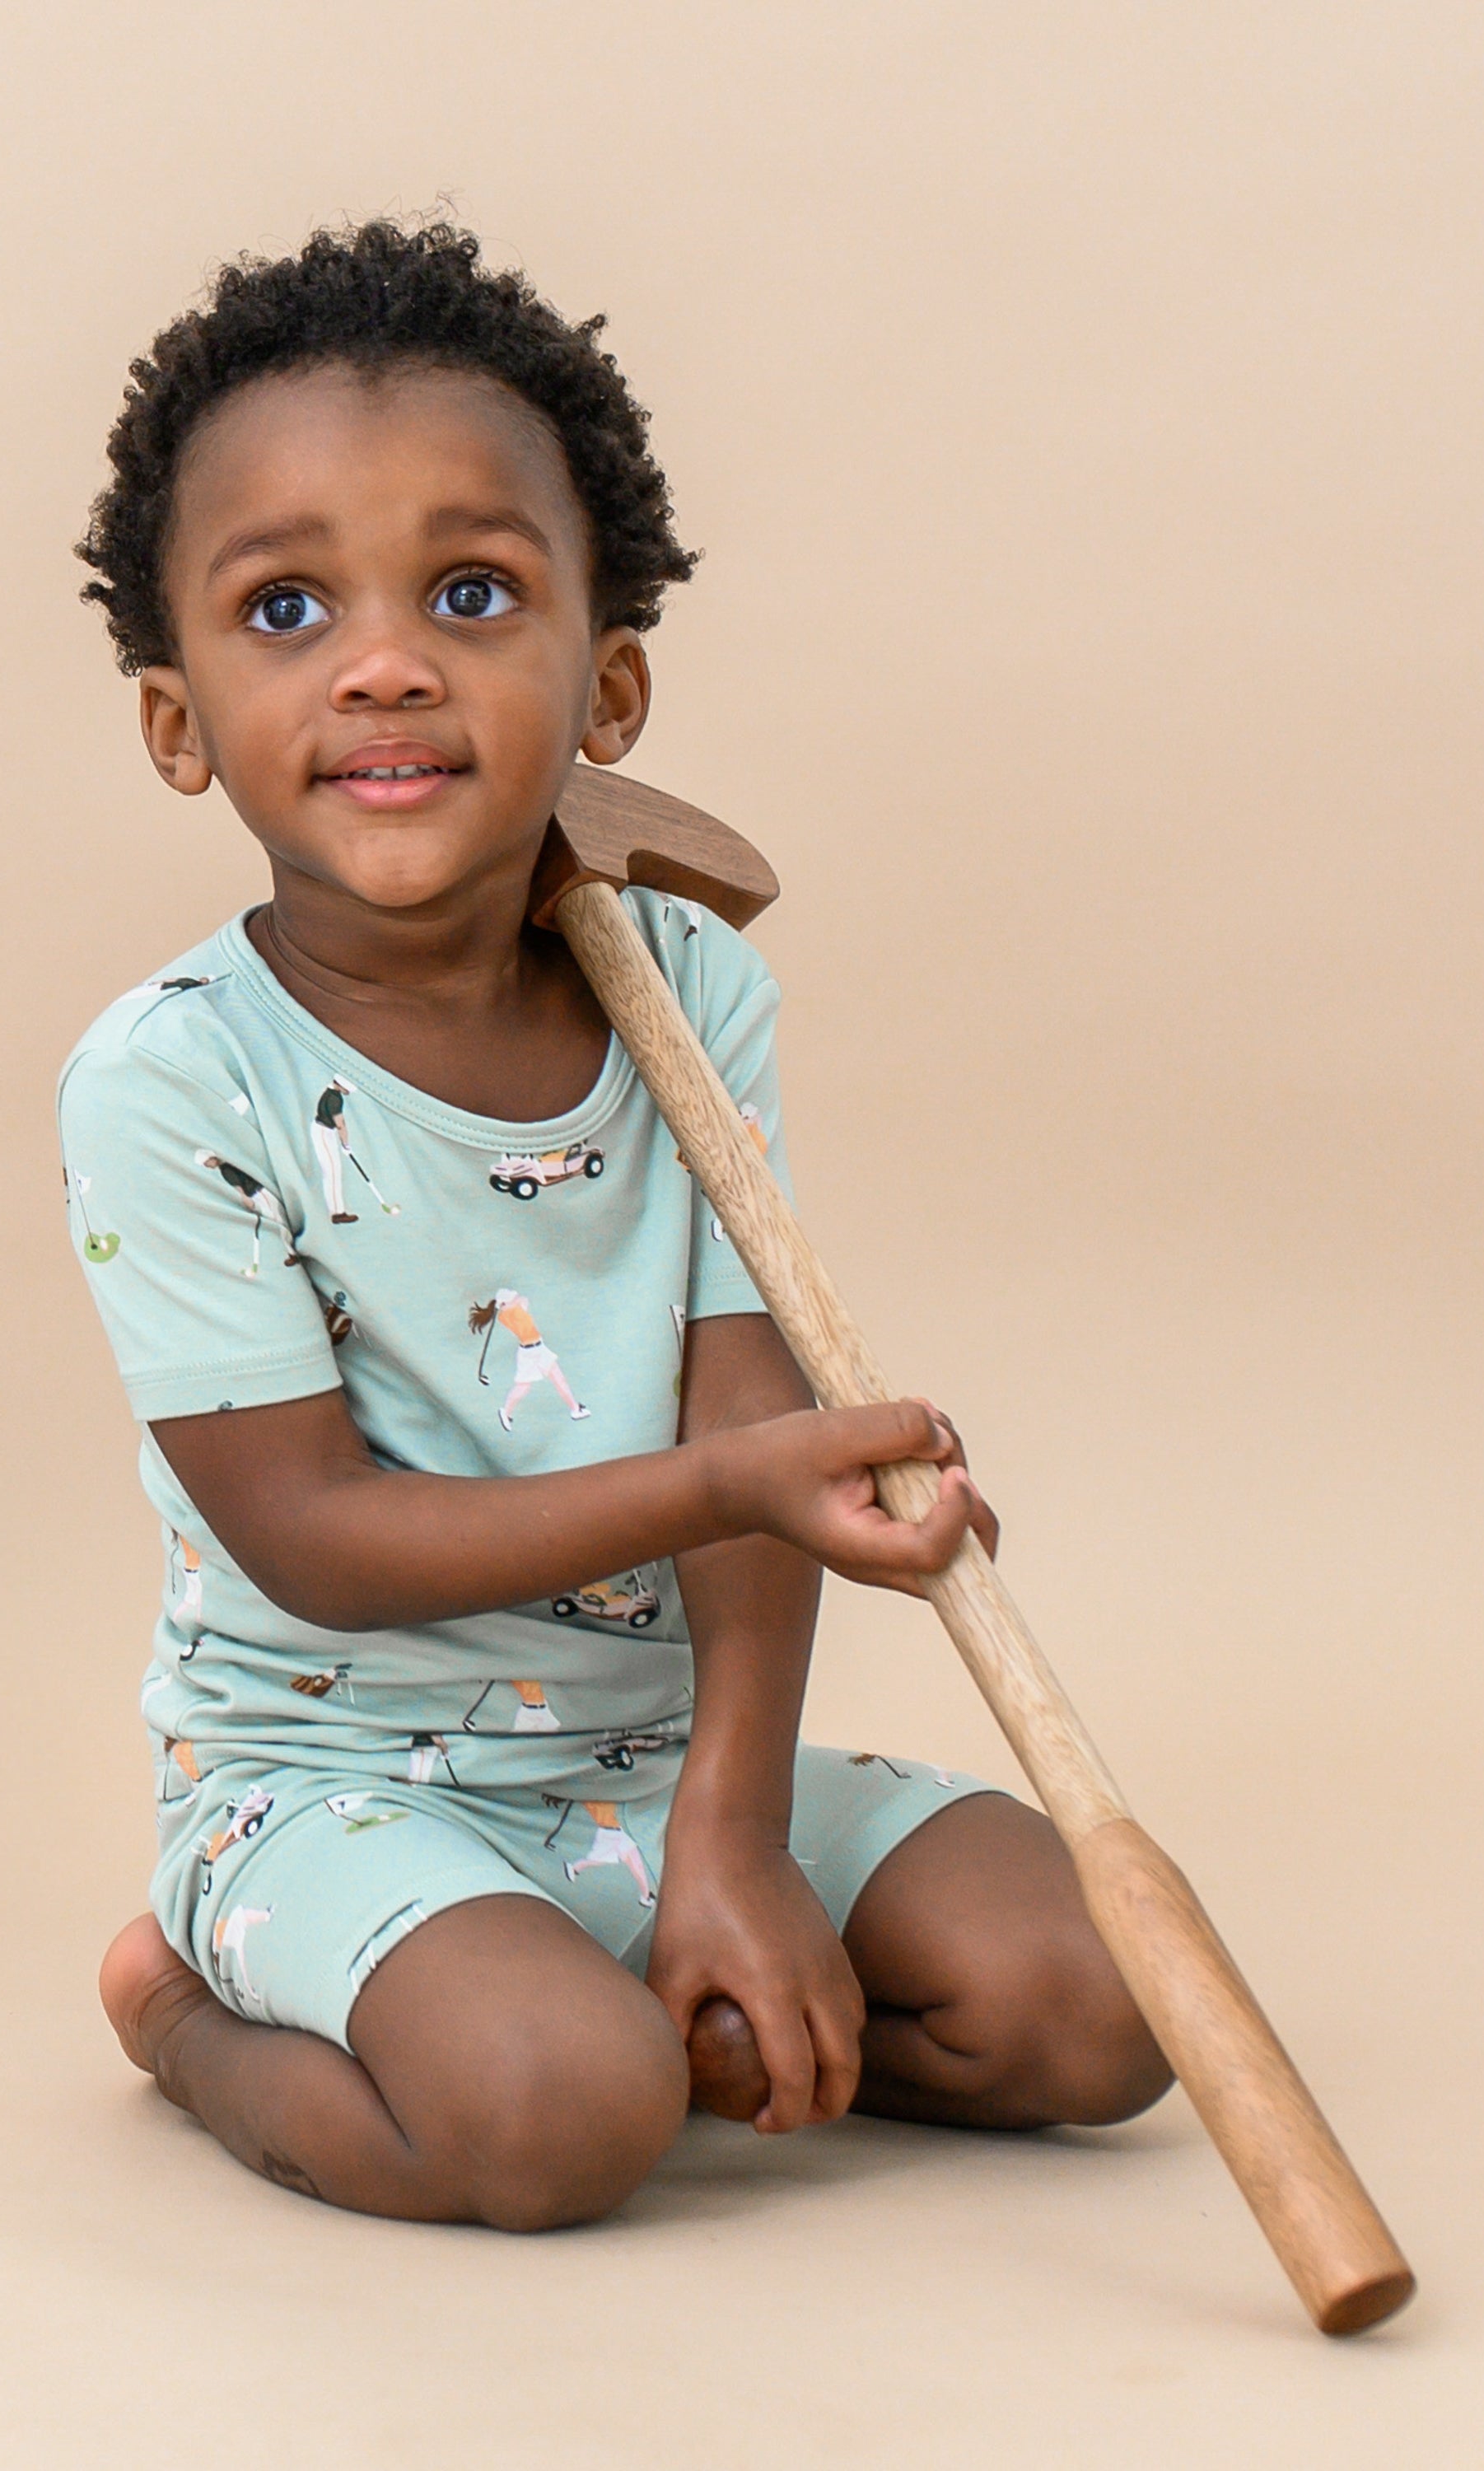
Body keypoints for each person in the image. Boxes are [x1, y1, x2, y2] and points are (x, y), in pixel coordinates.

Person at [60, 221, 1169, 2230]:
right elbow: (310, 1540)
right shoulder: (168, 1082)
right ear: (178, 722)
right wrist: (737, 1478)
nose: (385, 661)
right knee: (561, 2118)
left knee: (1089, 2006)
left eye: (472, 593)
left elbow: (753, 1420)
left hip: (650, 1767)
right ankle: (189, 2013)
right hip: (332, 1791)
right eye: (287, 607)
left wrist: (734, 1846)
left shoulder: (683, 988)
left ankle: (674, 1987)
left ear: (610, 681)